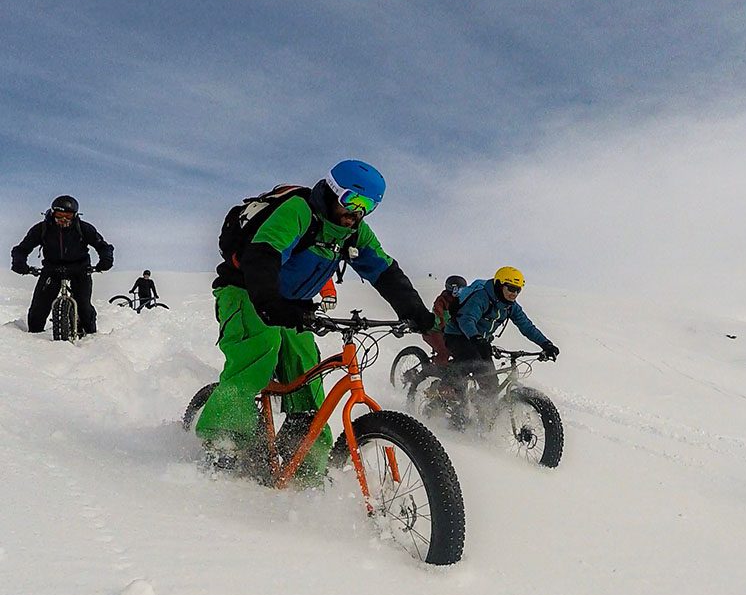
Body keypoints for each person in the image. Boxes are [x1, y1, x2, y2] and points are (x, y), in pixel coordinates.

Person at [194, 159, 435, 481]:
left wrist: (417, 314)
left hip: (293, 305)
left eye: (369, 206)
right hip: (245, 290)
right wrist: (268, 303)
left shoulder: (355, 233)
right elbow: (263, 253)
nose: (358, 212)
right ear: (334, 191)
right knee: (257, 353)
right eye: (353, 200)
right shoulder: (298, 211)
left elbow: (385, 272)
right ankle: (224, 443)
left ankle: (304, 460)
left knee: (306, 371)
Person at [442, 266, 559, 421]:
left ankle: (480, 416)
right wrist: (476, 338)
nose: (514, 293)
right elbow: (467, 319)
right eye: (510, 288)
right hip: (458, 335)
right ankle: (450, 398)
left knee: (490, 383)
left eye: (518, 290)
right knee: (470, 362)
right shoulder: (481, 297)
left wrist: (546, 344)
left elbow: (526, 326)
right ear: (499, 284)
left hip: (481, 341)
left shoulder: (511, 307)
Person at [10, 195, 114, 334]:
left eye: (68, 216)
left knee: (83, 306)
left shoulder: (83, 228)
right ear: (52, 213)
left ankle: (91, 336)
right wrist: (19, 262)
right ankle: (34, 339)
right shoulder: (42, 229)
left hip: (80, 268)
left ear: (75, 215)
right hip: (52, 269)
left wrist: (105, 260)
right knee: (38, 308)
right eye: (59, 215)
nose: (63, 220)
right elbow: (21, 249)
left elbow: (103, 246)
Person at [422, 275, 467, 366]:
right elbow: (438, 315)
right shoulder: (442, 301)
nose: (460, 292)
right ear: (450, 288)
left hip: (449, 333)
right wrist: (443, 326)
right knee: (444, 351)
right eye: (457, 289)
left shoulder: (462, 301)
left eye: (463, 289)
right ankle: (437, 371)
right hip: (433, 331)